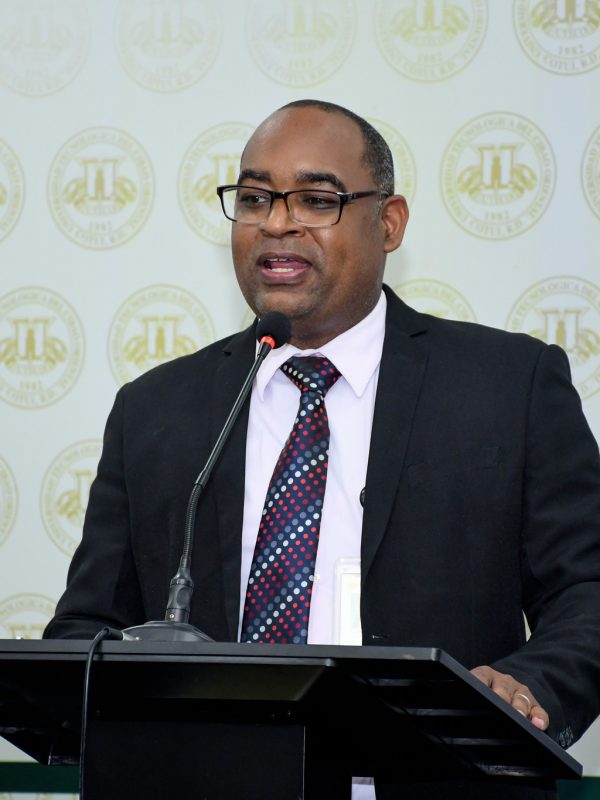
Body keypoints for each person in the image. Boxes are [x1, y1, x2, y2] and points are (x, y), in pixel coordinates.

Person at [44, 100, 600, 799]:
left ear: (389, 222)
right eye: (255, 199)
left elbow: (586, 590)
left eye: (316, 199)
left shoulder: (508, 387)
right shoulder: (156, 409)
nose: (277, 223)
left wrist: (529, 684)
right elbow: (88, 626)